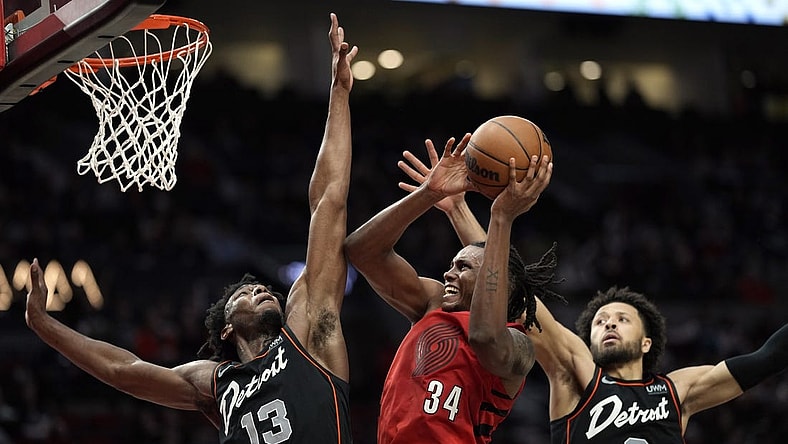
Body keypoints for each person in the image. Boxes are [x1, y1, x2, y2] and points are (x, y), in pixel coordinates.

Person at [23, 12, 357, 443]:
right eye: (245, 292)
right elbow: (123, 370)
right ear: (227, 330)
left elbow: (328, 201)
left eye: (261, 290)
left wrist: (340, 93)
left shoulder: (311, 334)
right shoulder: (216, 384)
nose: (259, 289)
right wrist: (43, 325)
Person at [398, 142, 788, 443]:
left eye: (622, 319)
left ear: (647, 341)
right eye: (601, 321)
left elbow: (768, 357)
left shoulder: (679, 390)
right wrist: (458, 211)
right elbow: (511, 290)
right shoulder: (576, 373)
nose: (609, 324)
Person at [343, 135, 562, 443]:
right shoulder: (432, 304)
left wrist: (501, 217)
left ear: (505, 286)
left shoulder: (518, 345)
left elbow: (485, 335)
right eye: (452, 264)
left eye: (464, 267)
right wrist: (426, 195)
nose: (448, 273)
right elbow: (361, 252)